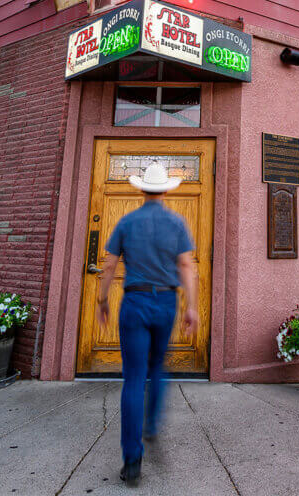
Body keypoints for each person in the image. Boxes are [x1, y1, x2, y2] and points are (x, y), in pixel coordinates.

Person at [96, 162, 198, 487]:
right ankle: (151, 424)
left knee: (133, 378)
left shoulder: (127, 221)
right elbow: (186, 266)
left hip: (134, 303)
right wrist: (191, 307)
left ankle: (132, 460)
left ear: (141, 189)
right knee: (157, 366)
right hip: (166, 303)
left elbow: (109, 265)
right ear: (165, 190)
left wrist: (102, 301)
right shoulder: (177, 222)